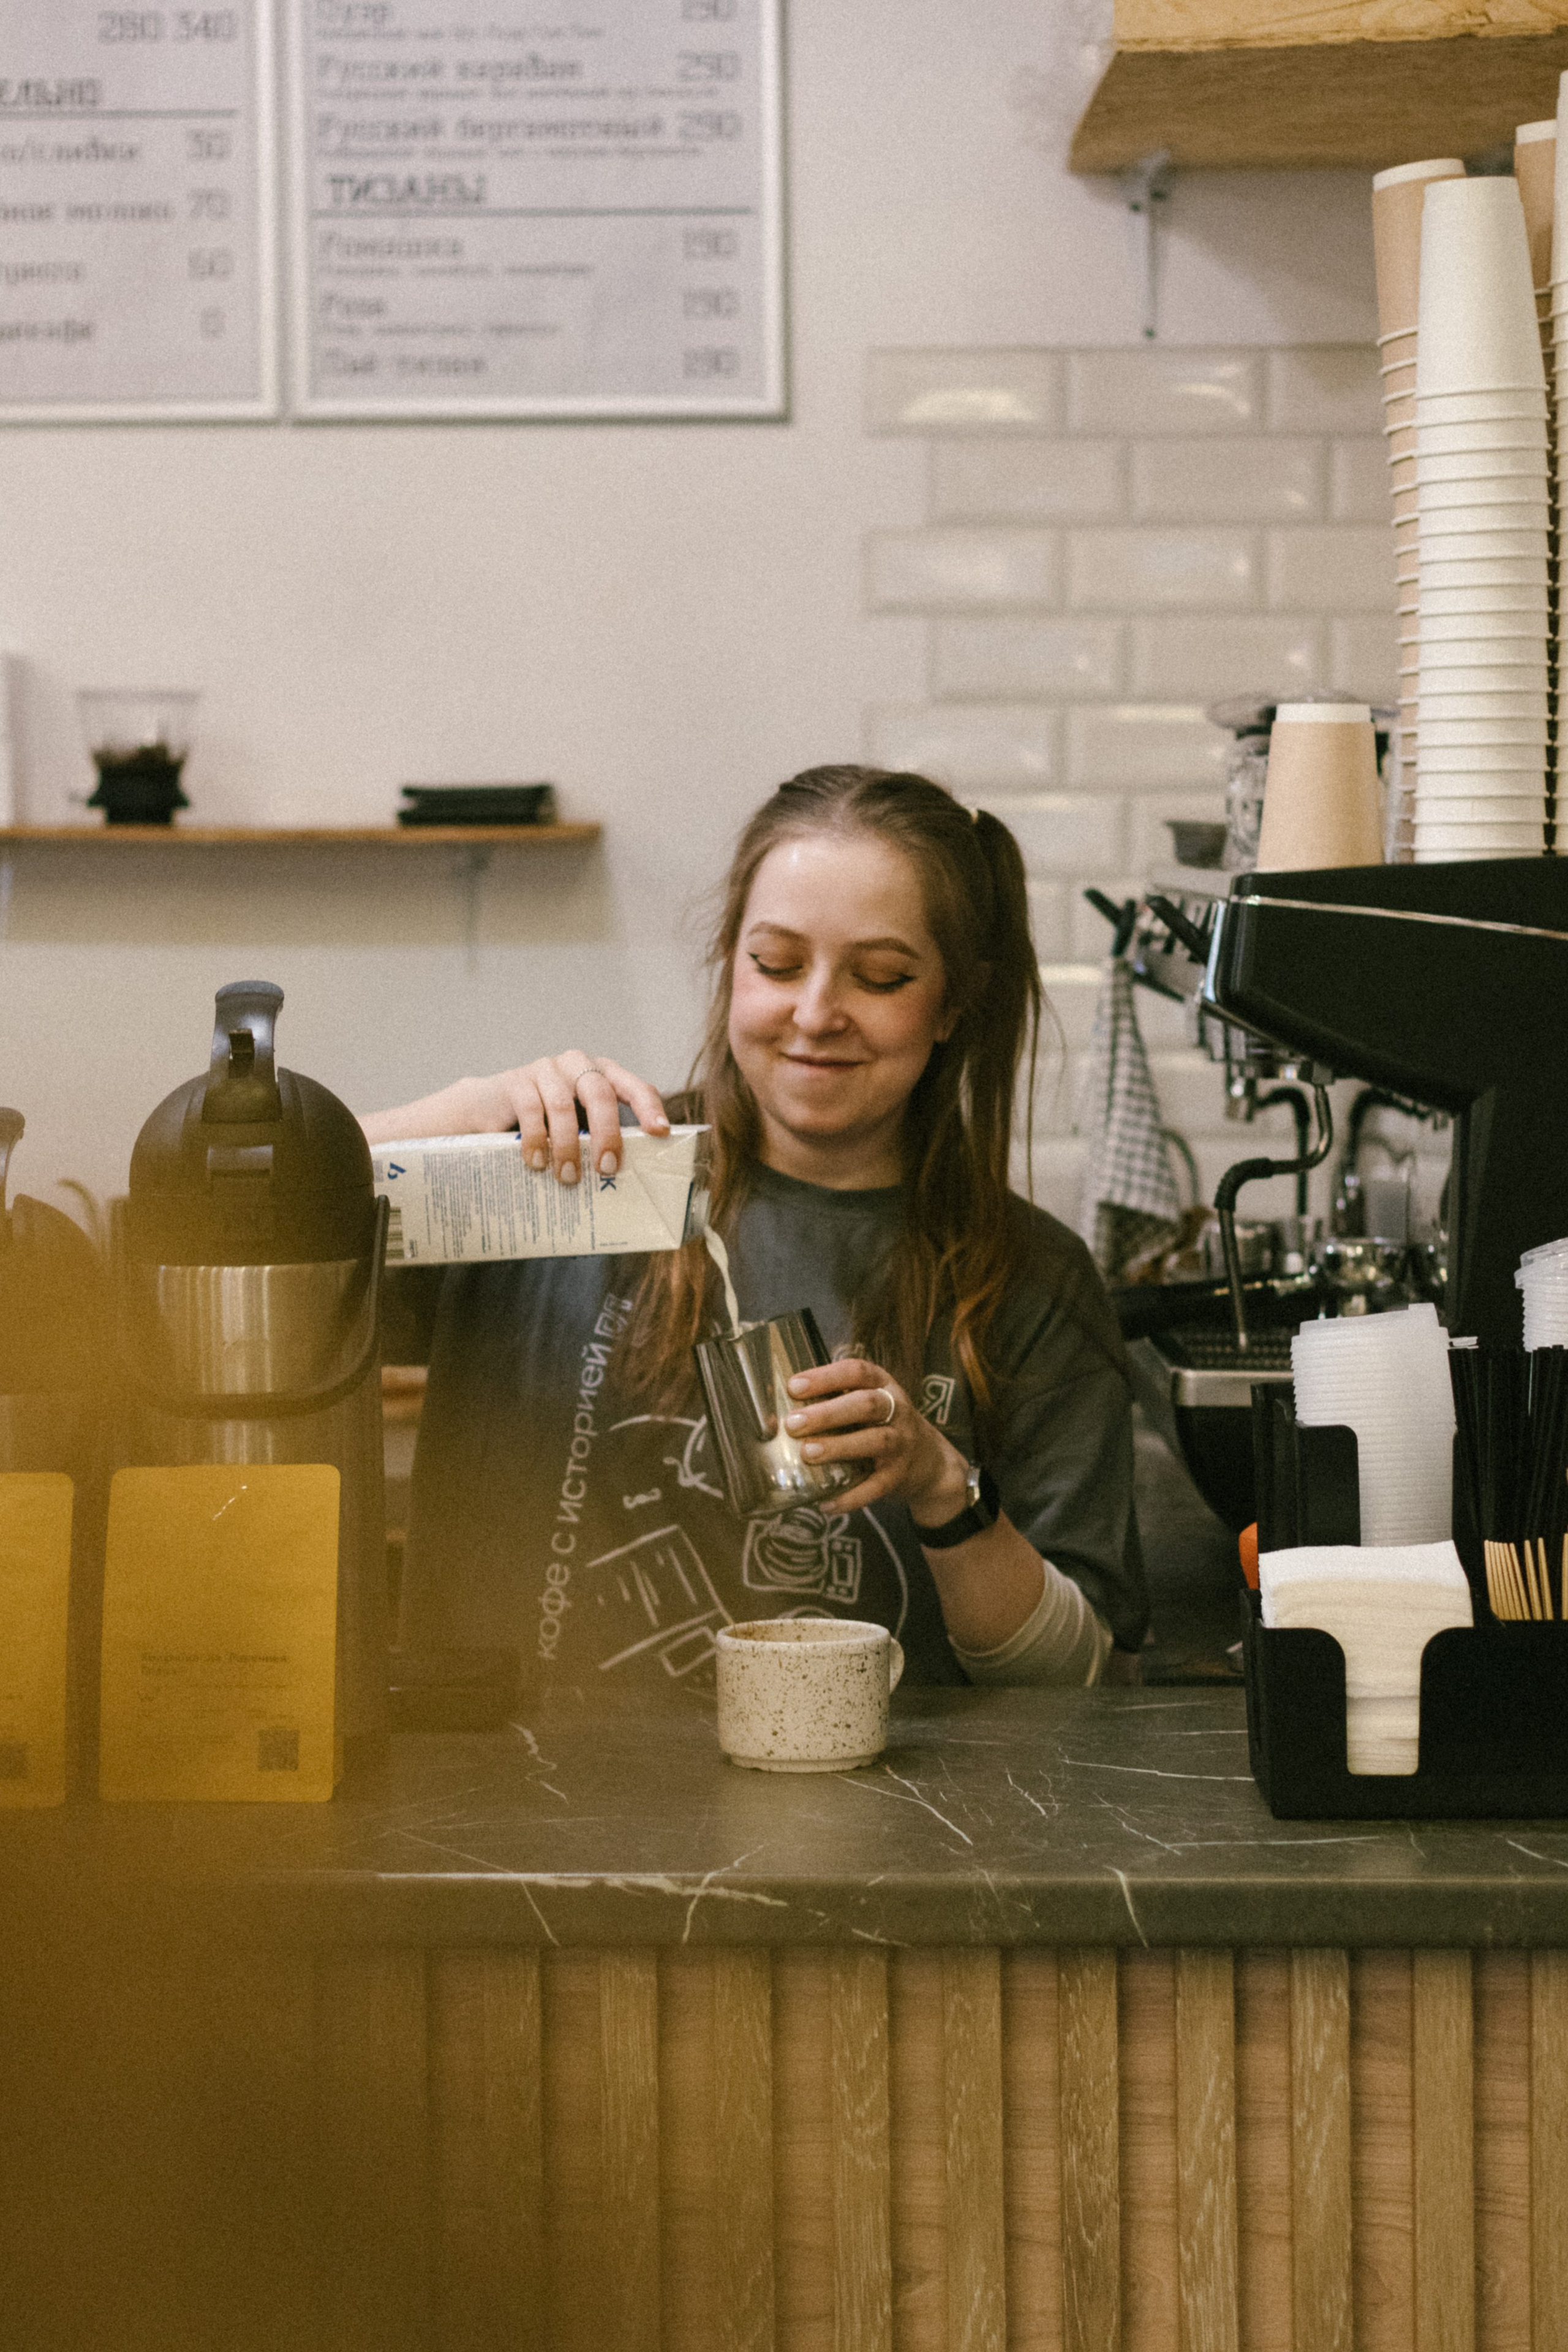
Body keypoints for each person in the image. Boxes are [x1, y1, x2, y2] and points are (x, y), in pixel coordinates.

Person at [365, 765, 1148, 1711]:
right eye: (776, 964)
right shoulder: (556, 1178)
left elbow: (1079, 1684)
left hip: (870, 1843)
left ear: (953, 1004)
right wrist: (466, 1110)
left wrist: (944, 1485)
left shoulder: (1028, 1284)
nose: (816, 1013)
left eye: (882, 977)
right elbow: (196, 1218)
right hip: (503, 1832)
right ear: (728, 959)